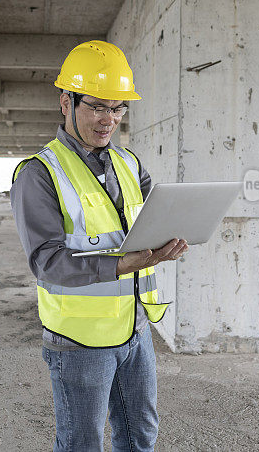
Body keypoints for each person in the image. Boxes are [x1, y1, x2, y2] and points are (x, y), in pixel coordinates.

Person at [10, 40, 188, 451]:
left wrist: (171, 238)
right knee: (82, 443)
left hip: (136, 327)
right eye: (96, 106)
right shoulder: (39, 174)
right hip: (79, 340)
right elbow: (48, 262)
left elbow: (149, 218)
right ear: (65, 103)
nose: (108, 119)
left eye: (118, 108)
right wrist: (124, 264)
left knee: (140, 434)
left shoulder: (129, 163)